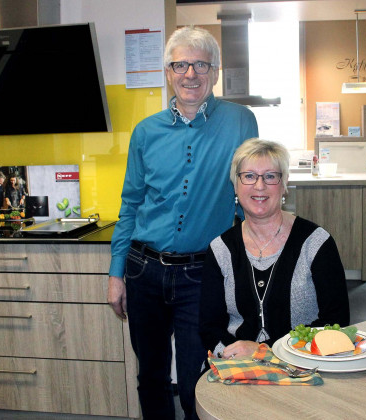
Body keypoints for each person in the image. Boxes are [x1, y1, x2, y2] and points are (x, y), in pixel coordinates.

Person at [107, 26, 258, 420]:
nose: (191, 74)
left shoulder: (241, 122)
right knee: (151, 377)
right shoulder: (145, 132)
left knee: (197, 380)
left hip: (201, 274)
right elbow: (130, 205)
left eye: (201, 65)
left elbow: (249, 192)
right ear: (168, 72)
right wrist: (116, 273)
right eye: (180, 65)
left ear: (215, 71)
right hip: (143, 270)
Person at [199, 139, 350, 359]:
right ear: (235, 184)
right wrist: (233, 357)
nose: (259, 186)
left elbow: (336, 321)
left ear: (284, 183)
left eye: (270, 176)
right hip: (237, 366)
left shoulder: (316, 243)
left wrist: (265, 351)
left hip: (303, 365)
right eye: (249, 176)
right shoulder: (220, 249)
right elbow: (209, 327)